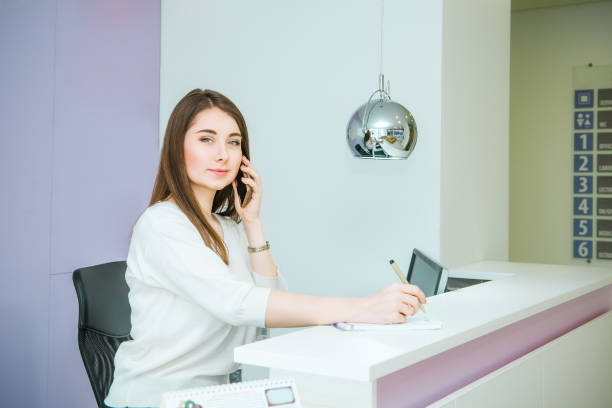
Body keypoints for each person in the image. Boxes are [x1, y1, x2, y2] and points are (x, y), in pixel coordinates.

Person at [104, 89, 426, 408]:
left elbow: (267, 298)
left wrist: (253, 225)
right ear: (177, 148)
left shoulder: (228, 226)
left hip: (215, 396)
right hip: (156, 398)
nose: (223, 154)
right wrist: (362, 308)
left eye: (233, 142)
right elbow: (239, 304)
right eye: (206, 139)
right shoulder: (161, 225)